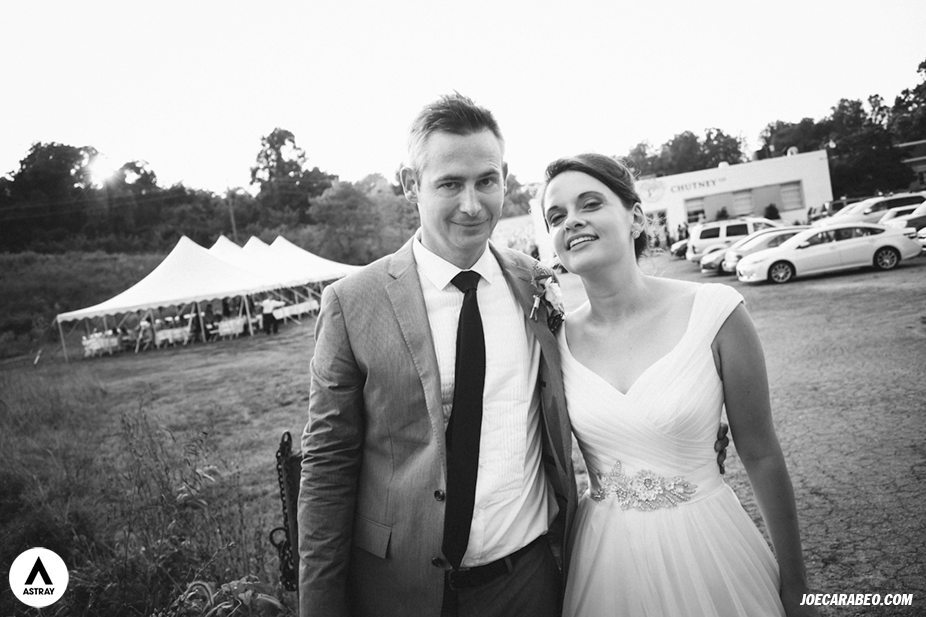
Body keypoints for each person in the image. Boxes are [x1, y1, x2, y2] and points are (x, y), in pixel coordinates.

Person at [297, 94, 578, 617]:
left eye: (486, 181)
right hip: (401, 590)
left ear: (505, 178)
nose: (472, 205)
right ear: (411, 185)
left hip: (528, 582)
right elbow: (328, 466)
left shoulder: (535, 283)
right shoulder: (352, 303)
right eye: (450, 184)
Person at [540, 153, 817, 617]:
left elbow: (761, 454)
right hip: (607, 561)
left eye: (590, 204)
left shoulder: (715, 311)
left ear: (635, 217)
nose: (572, 221)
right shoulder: (554, 339)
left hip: (709, 544)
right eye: (556, 216)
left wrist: (797, 586)